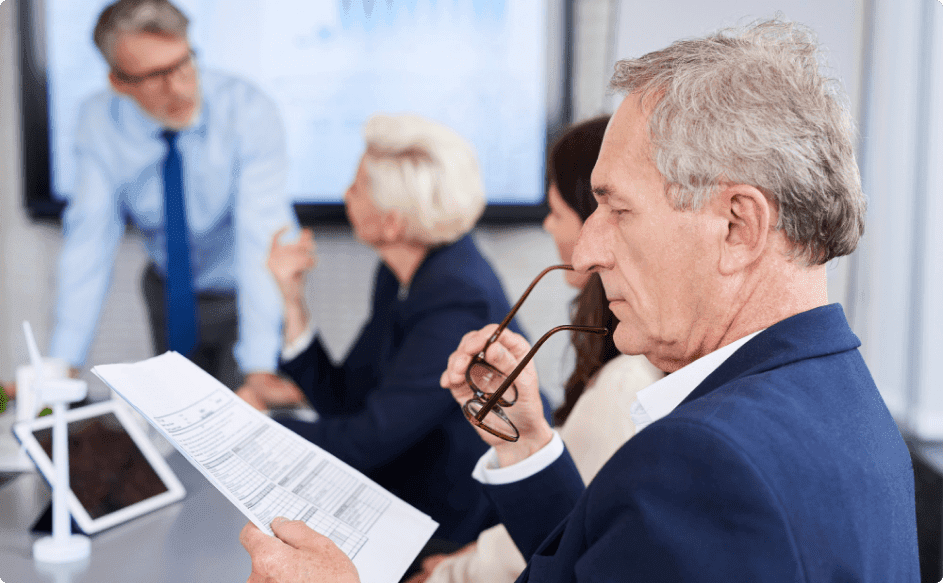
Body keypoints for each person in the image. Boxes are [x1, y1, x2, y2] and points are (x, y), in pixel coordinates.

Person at [239, 19, 920, 582]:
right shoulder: (841, 398)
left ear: (737, 227)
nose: (586, 252)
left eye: (616, 210)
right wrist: (528, 445)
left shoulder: (708, 461)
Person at [237, 113, 533, 548]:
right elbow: (345, 400)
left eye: (357, 186)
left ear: (393, 222)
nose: (345, 195)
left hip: (455, 522)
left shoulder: (457, 299)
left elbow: (367, 440)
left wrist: (253, 427)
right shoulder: (403, 273)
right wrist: (291, 298)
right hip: (405, 491)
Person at [411, 117, 664, 583]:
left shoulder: (624, 383)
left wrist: (451, 573)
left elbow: (571, 547)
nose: (550, 226)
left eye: (556, 210)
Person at [48, 0, 299, 397]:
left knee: (245, 423)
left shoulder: (248, 110)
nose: (179, 87)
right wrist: (62, 365)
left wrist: (260, 366)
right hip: (171, 292)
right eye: (155, 76)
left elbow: (260, 237)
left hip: (248, 291)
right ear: (118, 82)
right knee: (180, 418)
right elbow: (88, 243)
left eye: (183, 63)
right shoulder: (98, 123)